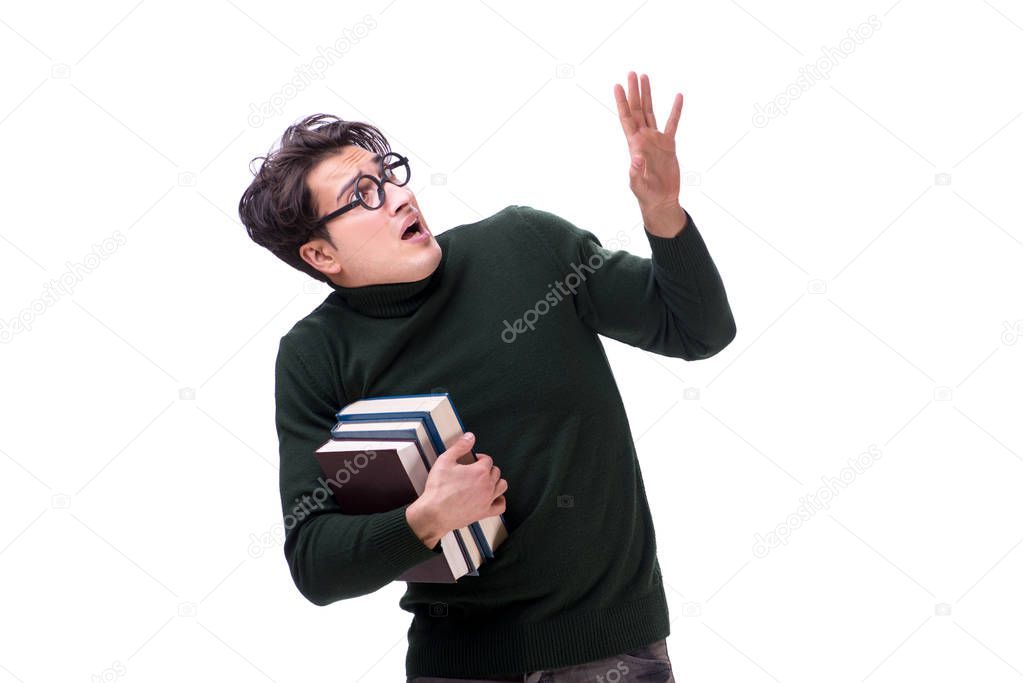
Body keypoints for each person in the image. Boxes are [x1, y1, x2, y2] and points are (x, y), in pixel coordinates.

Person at [238, 71, 735, 682]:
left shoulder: (527, 246)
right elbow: (316, 563)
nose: (398, 196)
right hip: (458, 665)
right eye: (362, 194)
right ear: (321, 255)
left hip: (612, 654)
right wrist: (427, 518)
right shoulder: (314, 356)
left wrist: (663, 213)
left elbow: (699, 331)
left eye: (389, 174)